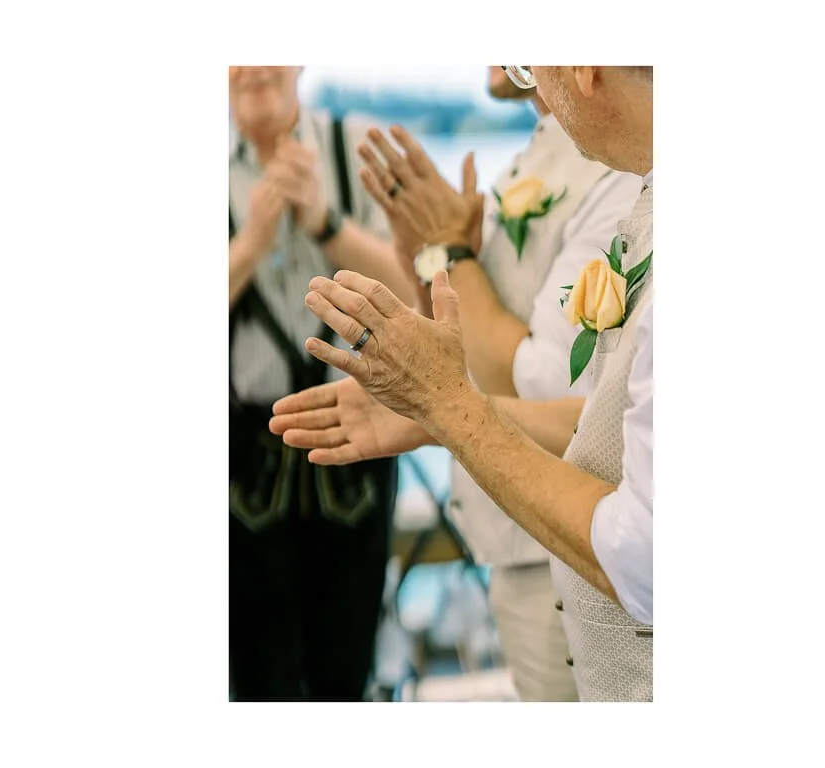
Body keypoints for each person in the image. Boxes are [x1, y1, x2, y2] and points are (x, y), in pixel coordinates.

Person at [270, 66, 652, 701]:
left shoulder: (612, 176)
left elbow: (543, 378)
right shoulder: (549, 163)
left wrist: (450, 250)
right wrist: (427, 261)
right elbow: (582, 401)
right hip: (524, 531)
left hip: (569, 551)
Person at [227, 66, 419, 701]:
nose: (254, 65)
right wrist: (249, 243)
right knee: (255, 671)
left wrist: (325, 223)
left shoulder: (357, 147)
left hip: (356, 440)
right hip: (241, 458)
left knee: (349, 659)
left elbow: (417, 294)